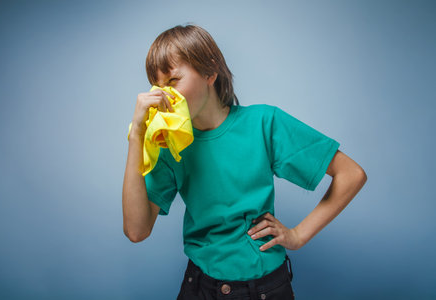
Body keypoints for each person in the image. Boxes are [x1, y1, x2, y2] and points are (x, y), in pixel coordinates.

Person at [122, 23, 367, 300]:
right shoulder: (167, 144)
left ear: (209, 72)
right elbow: (136, 230)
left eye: (173, 80)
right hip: (199, 286)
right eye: (158, 86)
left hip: (264, 289)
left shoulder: (264, 122)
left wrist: (298, 236)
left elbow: (351, 173)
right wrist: (137, 136)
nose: (165, 95)